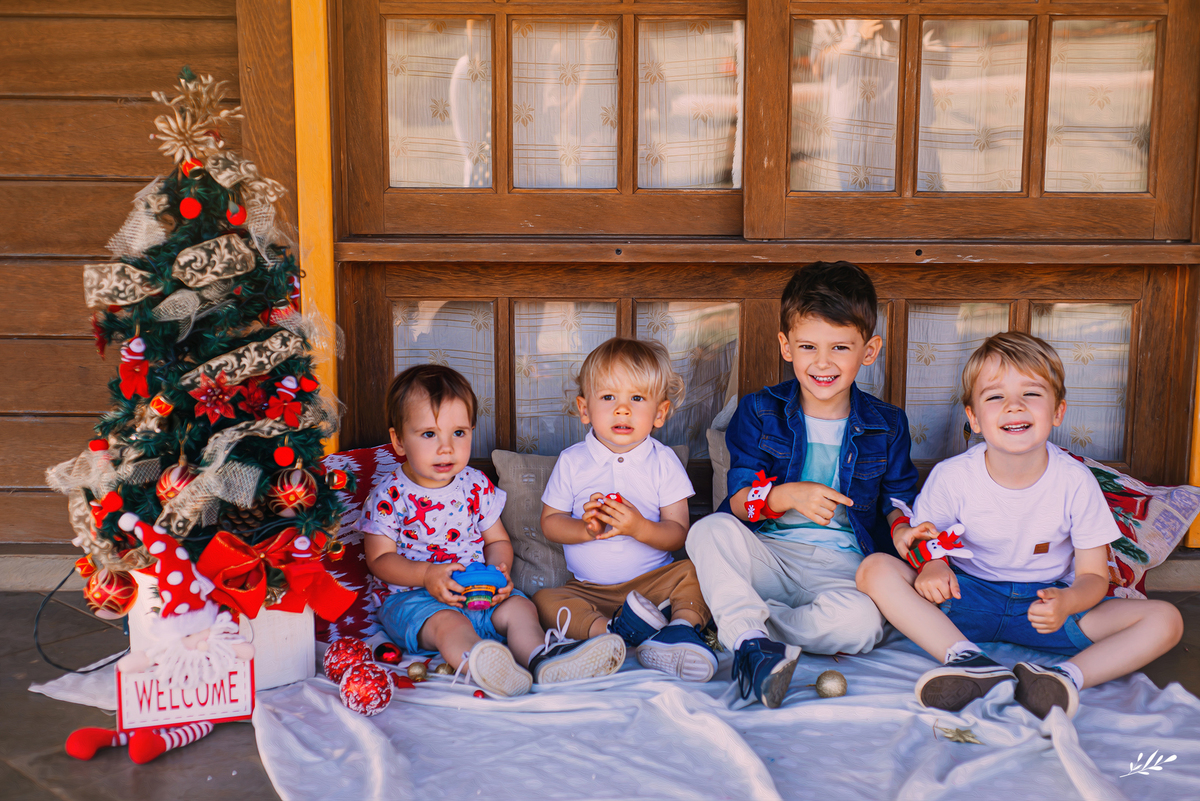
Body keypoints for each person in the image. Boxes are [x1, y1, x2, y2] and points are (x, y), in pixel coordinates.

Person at [856, 332, 1184, 719]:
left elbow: (1094, 577)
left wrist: (1068, 602)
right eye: (996, 396)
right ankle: (967, 660)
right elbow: (926, 542)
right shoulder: (952, 476)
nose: (1014, 406)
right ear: (974, 418)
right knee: (875, 569)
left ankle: (1061, 679)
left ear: (1057, 411)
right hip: (966, 597)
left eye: (1031, 394)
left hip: (1047, 606)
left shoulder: (1076, 482)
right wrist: (933, 566)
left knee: (1166, 620)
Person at [687, 261, 920, 707]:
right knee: (709, 531)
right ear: (786, 346)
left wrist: (903, 529)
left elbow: (897, 500)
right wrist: (785, 496)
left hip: (843, 568)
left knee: (862, 625)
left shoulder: (887, 424)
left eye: (840, 347)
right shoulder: (760, 411)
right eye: (809, 346)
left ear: (869, 351)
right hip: (771, 557)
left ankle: (748, 626)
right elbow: (737, 505)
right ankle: (751, 644)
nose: (823, 362)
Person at [361, 364, 625, 698]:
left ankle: (542, 659)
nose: (446, 447)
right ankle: (483, 665)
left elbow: (497, 540)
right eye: (429, 434)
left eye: (459, 433)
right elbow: (379, 559)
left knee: (521, 609)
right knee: (450, 624)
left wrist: (499, 573)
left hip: (479, 593)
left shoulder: (475, 484)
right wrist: (426, 575)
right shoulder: (389, 495)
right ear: (399, 441)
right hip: (416, 602)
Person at [535, 338, 719, 681]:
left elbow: (678, 532)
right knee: (545, 600)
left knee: (696, 571)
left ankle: (679, 630)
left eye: (637, 398)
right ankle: (609, 633)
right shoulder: (573, 461)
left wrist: (639, 528)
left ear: (659, 413)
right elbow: (550, 523)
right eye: (608, 398)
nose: (622, 410)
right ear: (584, 409)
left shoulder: (663, 462)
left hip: (654, 586)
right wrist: (584, 529)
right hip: (589, 590)